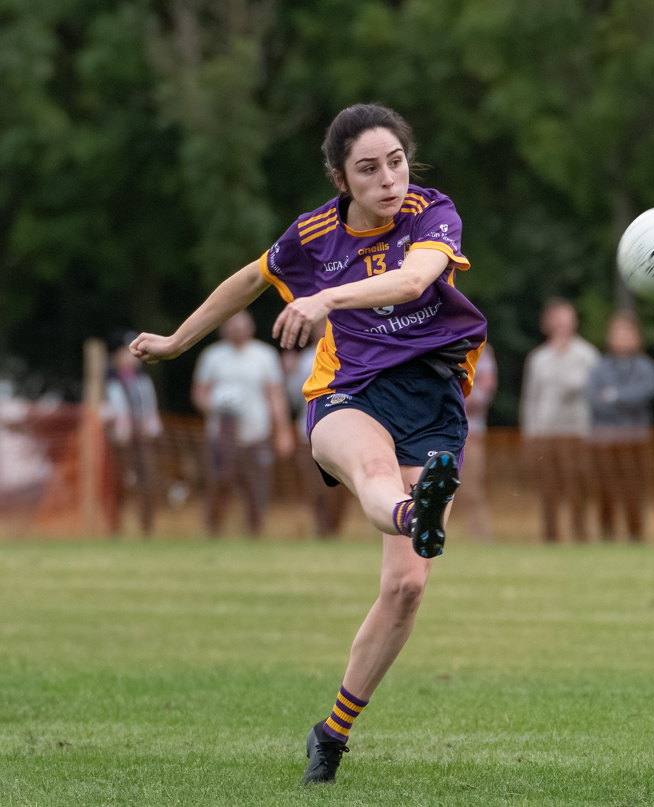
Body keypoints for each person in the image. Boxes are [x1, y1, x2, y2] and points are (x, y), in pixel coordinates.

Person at [130, 103, 489, 784]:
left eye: (396, 162)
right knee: (374, 468)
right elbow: (249, 279)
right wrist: (179, 340)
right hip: (346, 391)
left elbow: (416, 279)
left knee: (408, 584)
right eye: (368, 169)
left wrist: (326, 300)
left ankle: (331, 732)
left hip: (433, 397)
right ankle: (415, 512)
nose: (388, 179)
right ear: (340, 178)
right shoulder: (314, 235)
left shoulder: (431, 211)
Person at [193, 311, 294, 536]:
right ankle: (213, 531)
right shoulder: (212, 357)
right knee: (219, 483)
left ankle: (255, 532)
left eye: (241, 326)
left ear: (251, 328)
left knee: (256, 487)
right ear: (224, 329)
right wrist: (216, 405)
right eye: (232, 326)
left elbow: (275, 396)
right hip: (221, 435)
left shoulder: (265, 355)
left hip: (256, 434)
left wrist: (283, 431)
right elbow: (200, 394)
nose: (237, 330)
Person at [520, 298, 599, 542]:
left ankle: (580, 534)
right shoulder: (538, 358)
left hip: (578, 431)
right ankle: (550, 536)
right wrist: (529, 432)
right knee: (548, 488)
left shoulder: (588, 355)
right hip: (545, 432)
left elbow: (582, 387)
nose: (562, 324)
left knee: (577, 486)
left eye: (567, 318)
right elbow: (530, 397)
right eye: (557, 318)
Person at [587, 311, 654, 542]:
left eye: (627, 332)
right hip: (604, 440)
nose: (622, 337)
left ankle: (636, 535)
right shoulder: (598, 368)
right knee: (605, 489)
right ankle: (607, 535)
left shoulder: (647, 367)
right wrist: (626, 401)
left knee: (634, 489)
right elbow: (594, 401)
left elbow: (648, 392)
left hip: (636, 439)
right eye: (617, 332)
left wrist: (616, 396)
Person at [282, 335, 349, 538]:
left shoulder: (347, 351)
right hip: (308, 432)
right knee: (314, 486)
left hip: (343, 431)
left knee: (339, 486)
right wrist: (290, 374)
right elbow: (294, 397)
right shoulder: (305, 358)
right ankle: (321, 529)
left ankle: (335, 528)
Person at [102, 330, 163, 536]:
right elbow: (102, 412)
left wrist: (151, 431)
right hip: (117, 443)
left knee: (147, 481)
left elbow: (151, 412)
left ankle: (147, 526)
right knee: (117, 484)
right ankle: (115, 528)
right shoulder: (108, 385)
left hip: (142, 440)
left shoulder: (143, 383)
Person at [460, 341, 497, 541]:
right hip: (429, 432)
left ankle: (480, 540)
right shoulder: (428, 339)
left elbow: (485, 389)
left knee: (472, 492)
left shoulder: (481, 348)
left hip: (470, 433)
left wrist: (450, 402)